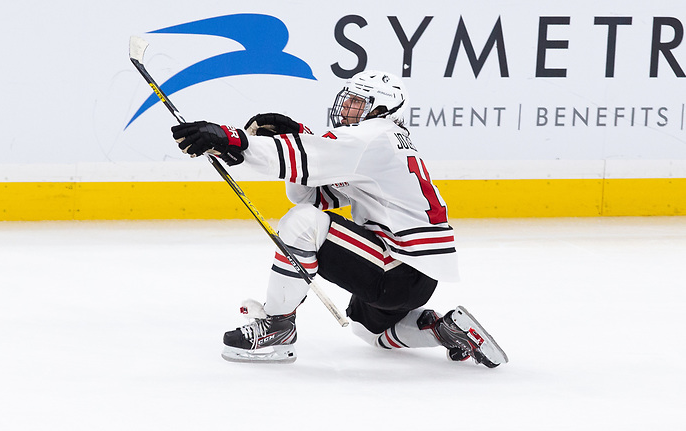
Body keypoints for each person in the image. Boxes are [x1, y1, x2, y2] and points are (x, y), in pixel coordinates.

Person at [171, 70, 508, 367]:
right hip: (413, 275)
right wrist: (299, 134)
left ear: (382, 110)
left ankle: (278, 326)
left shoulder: (372, 135)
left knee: (302, 223)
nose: (347, 110)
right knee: (370, 330)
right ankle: (441, 329)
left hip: (401, 270)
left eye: (357, 104)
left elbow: (309, 169)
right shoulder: (384, 141)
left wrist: (232, 141)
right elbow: (316, 192)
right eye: (347, 101)